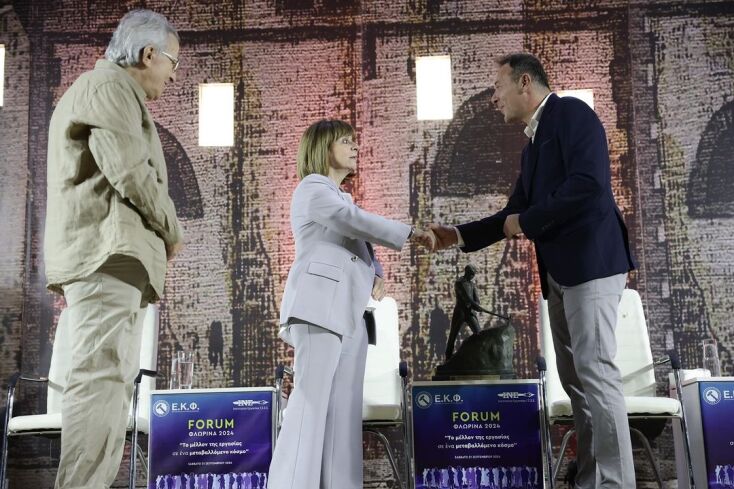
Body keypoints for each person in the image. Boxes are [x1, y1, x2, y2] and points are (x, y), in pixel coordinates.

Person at [430, 53, 637, 488]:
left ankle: (616, 482)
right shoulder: (533, 146)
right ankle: (591, 479)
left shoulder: (571, 114)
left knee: (596, 372)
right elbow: (512, 214)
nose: (494, 98)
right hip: (561, 273)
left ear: (525, 82)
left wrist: (525, 221)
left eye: (498, 86)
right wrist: (457, 235)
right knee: (576, 379)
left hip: (590, 263)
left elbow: (588, 185)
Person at [44, 9, 183, 488]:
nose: (173, 74)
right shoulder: (108, 88)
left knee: (112, 383)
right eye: (172, 62)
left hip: (115, 260)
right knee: (101, 381)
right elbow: (128, 170)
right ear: (148, 54)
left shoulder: (110, 91)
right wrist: (170, 229)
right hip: (107, 258)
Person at [268, 119, 433, 489]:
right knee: (310, 406)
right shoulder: (313, 188)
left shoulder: (341, 197)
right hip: (319, 308)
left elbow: (355, 236)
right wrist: (408, 232)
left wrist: (376, 270)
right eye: (345, 141)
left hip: (349, 312)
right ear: (323, 148)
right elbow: (349, 222)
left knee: (343, 413)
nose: (355, 147)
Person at [445, 263, 491, 360]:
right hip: (460, 312)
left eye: (473, 274)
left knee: (479, 334)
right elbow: (467, 298)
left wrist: (477, 306)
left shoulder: (472, 285)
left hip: (470, 312)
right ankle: (448, 357)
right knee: (453, 335)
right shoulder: (459, 283)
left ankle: (481, 356)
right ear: (466, 272)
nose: (473, 276)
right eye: (471, 273)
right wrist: (476, 306)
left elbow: (476, 300)